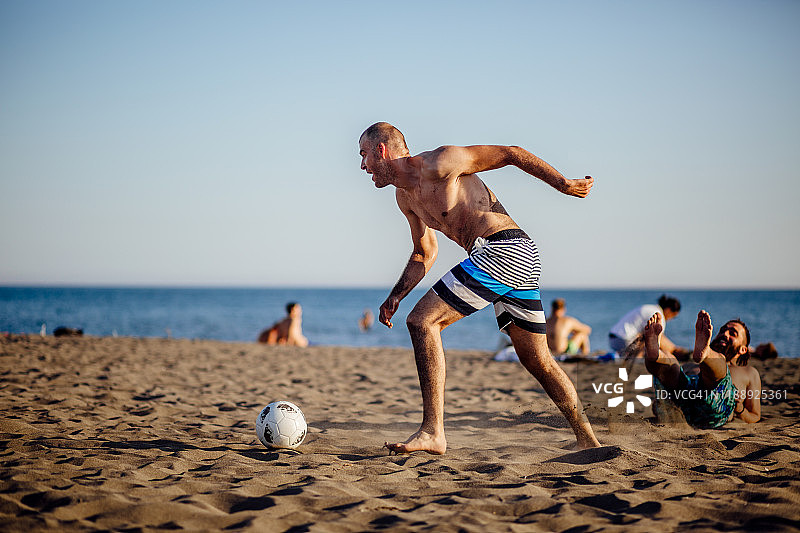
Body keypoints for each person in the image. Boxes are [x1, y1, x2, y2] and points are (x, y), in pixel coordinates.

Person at [358, 122, 600, 454]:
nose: (363, 166)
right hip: (512, 258)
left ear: (380, 151)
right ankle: (588, 440)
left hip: (504, 248)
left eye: (364, 155)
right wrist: (396, 295)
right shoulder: (406, 199)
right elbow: (424, 253)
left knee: (423, 322)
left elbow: (510, 154)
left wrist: (564, 184)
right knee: (537, 360)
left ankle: (433, 432)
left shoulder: (439, 163)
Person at [643, 310, 761, 428]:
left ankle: (706, 353)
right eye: (722, 330)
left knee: (719, 364)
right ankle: (655, 354)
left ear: (743, 349)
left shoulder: (749, 372)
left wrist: (740, 408)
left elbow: (755, 415)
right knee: (671, 363)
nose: (725, 334)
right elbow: (668, 380)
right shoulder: (690, 365)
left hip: (713, 406)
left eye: (733, 333)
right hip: (681, 404)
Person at [609, 295, 688, 358]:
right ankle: (675, 352)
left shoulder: (650, 308)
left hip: (614, 339)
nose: (671, 319)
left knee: (648, 334)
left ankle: (675, 350)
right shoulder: (658, 315)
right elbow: (659, 340)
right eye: (673, 316)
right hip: (623, 341)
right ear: (668, 310)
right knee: (655, 337)